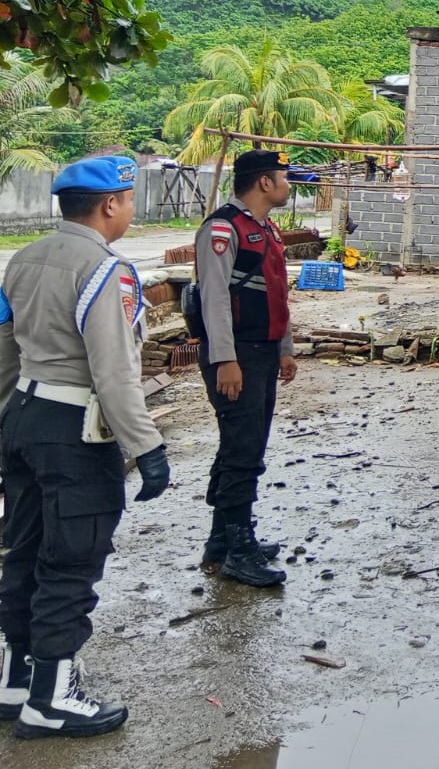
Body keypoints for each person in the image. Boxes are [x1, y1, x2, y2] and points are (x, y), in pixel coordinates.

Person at [0, 157, 171, 739]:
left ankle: (16, 680)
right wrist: (146, 447)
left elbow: (4, 353)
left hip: (23, 415)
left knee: (22, 550)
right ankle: (51, 702)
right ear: (108, 206)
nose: (126, 208)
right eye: (126, 199)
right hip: (75, 428)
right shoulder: (105, 270)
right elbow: (114, 370)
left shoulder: (22, 260)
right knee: (71, 559)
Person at [191, 149, 295, 588]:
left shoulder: (264, 228)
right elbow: (213, 299)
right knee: (242, 450)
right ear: (264, 183)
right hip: (238, 354)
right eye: (285, 177)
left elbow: (277, 293)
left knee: (245, 445)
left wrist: (285, 349)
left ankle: (222, 539)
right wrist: (226, 360)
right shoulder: (223, 228)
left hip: (263, 350)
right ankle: (238, 549)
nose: (290, 184)